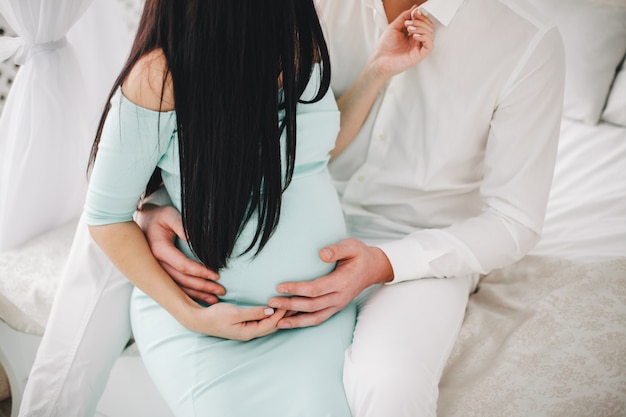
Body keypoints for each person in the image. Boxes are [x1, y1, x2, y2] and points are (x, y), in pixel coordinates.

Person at [139, 0, 566, 416]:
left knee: (389, 386)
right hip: (283, 219)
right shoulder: (300, 7)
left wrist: (383, 263)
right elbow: (224, 117)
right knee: (107, 260)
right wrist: (158, 203)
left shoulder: (526, 39)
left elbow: (514, 222)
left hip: (415, 249)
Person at [18, 1, 435, 416]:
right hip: (212, 327)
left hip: (313, 321)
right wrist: (192, 318)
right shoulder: (160, 76)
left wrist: (378, 66)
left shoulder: (295, 40)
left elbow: (310, 151)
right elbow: (106, 217)